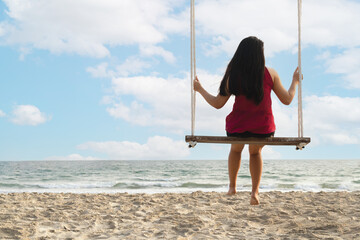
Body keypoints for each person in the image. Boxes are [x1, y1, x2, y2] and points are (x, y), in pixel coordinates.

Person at [193, 36, 301, 205]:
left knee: (236, 150)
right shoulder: (270, 73)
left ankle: (232, 187)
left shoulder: (233, 76)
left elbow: (217, 104)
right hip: (263, 129)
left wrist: (200, 90)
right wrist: (295, 82)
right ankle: (255, 193)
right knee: (255, 152)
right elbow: (287, 99)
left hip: (238, 127)